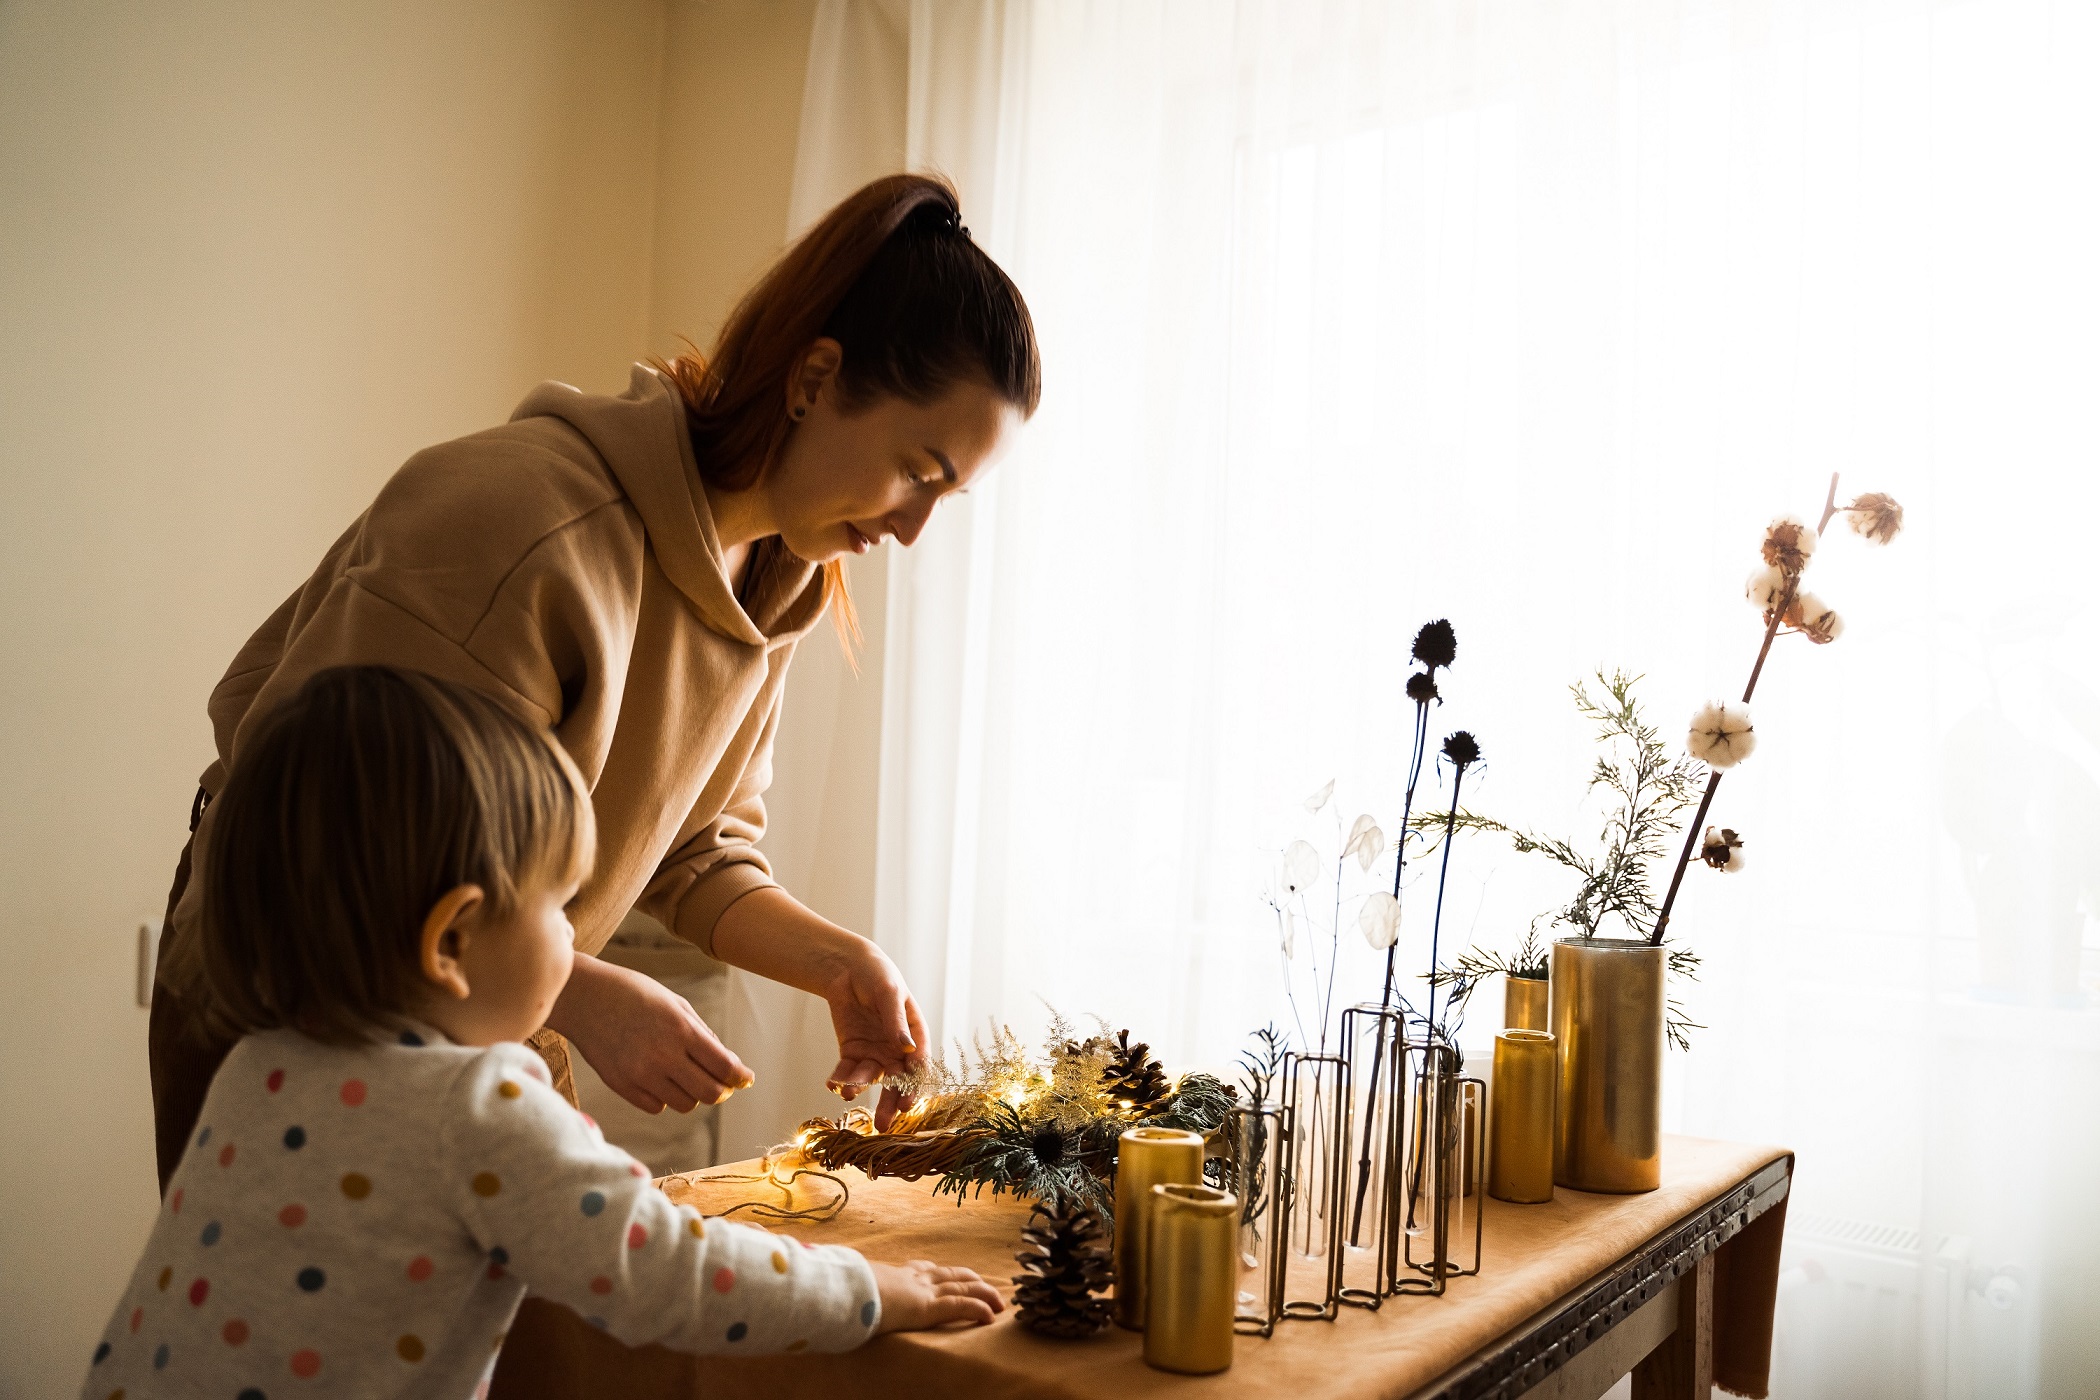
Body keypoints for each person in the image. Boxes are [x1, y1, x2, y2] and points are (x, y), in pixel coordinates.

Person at [148, 172, 1042, 1189]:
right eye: (918, 470)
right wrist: (583, 989)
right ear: (815, 378)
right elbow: (336, 831)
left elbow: (696, 848)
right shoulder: (521, 519)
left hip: (473, 1014)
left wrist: (840, 963)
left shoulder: (775, 580)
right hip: (294, 999)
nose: (916, 527)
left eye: (950, 495)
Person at [86, 667, 1002, 1400]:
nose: (575, 939)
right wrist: (874, 1293)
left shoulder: (262, 1062)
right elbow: (671, 1278)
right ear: (452, 940)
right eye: (561, 906)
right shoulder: (478, 1107)